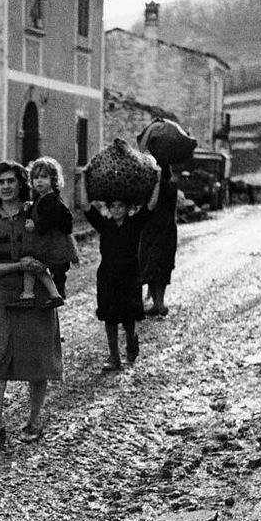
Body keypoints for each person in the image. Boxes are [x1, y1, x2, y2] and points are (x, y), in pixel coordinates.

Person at [0, 160, 63, 445]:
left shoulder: (36, 216)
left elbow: (56, 246)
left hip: (35, 295)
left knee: (38, 356)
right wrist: (13, 268)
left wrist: (41, 265)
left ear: (20, 183)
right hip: (1, 297)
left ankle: (34, 422)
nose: (7, 187)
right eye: (1, 182)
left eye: (11, 181)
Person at [77, 171, 161, 371]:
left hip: (131, 275)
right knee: (109, 316)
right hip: (107, 275)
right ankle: (114, 356)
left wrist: (157, 180)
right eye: (112, 206)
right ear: (108, 208)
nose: (116, 210)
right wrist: (83, 178)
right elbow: (85, 206)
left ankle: (132, 341)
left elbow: (151, 205)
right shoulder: (104, 225)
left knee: (129, 317)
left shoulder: (135, 223)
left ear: (128, 208)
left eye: (120, 206)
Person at [8, 156, 74, 308]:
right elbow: (41, 209)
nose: (39, 181)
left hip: (51, 244)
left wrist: (36, 225)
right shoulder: (43, 198)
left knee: (33, 264)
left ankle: (52, 294)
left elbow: (54, 217)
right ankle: (29, 295)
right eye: (36, 177)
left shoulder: (53, 200)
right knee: (31, 264)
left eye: (44, 177)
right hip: (46, 242)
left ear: (54, 180)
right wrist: (30, 206)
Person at [136, 152, 179, 317]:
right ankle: (158, 302)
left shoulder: (160, 186)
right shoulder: (171, 184)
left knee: (153, 265)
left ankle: (158, 302)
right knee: (161, 266)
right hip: (167, 230)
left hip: (154, 229)